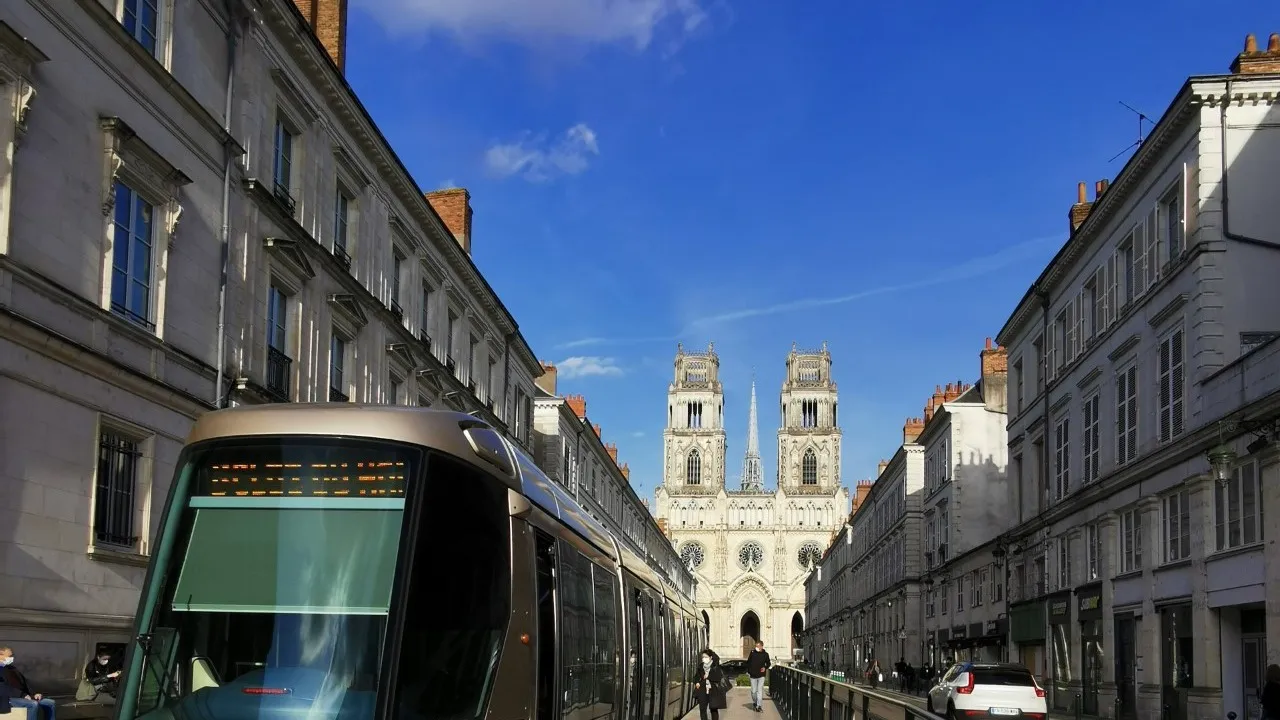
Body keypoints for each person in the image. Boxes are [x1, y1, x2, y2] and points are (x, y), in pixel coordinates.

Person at [1, 647, 56, 720]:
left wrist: (34, 694)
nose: (12, 658)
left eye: (12, 656)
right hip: (7, 698)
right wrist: (22, 695)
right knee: (33, 704)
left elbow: (24, 683)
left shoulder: (12, 668)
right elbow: (2, 688)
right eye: (9, 656)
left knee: (50, 703)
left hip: (23, 695)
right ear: (1, 655)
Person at [693, 650, 727, 720]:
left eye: (706, 657)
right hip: (702, 689)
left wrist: (708, 676)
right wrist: (696, 682)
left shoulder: (715, 666)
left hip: (713, 690)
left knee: (713, 710)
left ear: (710, 657)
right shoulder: (701, 666)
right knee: (702, 709)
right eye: (703, 657)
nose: (704, 659)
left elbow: (718, 677)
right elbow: (696, 676)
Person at [745, 641, 771, 712]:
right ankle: (755, 702)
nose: (756, 647)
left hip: (761, 675)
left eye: (758, 646)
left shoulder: (765, 654)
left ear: (762, 646)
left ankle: (759, 706)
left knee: (759, 690)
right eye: (756, 646)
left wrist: (765, 667)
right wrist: (749, 671)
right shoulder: (752, 653)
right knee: (753, 691)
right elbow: (748, 662)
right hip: (753, 675)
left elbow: (768, 663)